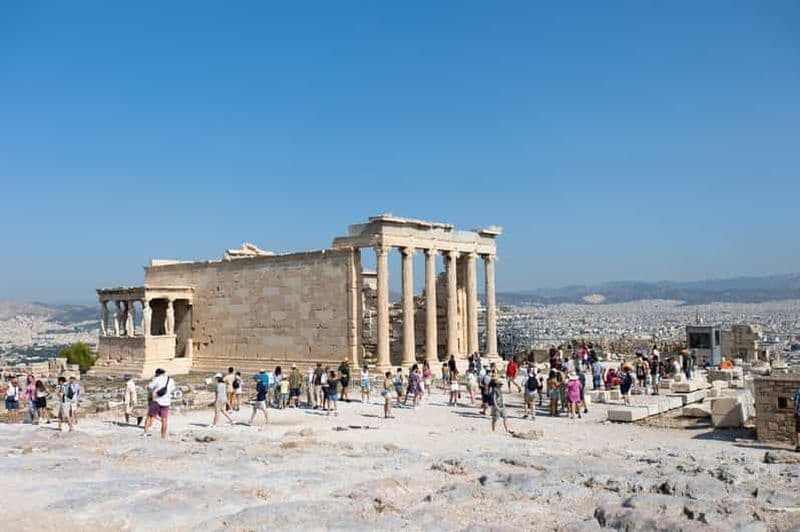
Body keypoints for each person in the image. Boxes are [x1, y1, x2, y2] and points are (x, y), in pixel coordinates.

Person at [143, 368, 176, 438]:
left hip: (156, 400)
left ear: (157, 373)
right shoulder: (171, 380)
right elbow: (173, 389)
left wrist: (153, 392)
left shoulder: (157, 379)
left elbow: (149, 387)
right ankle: (163, 436)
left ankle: (145, 432)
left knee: (150, 416)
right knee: (164, 419)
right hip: (166, 402)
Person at [794, 385, 800, 453]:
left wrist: (795, 412)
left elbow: (796, 403)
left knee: (798, 430)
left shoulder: (798, 391)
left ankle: (799, 446)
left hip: (799, 414)